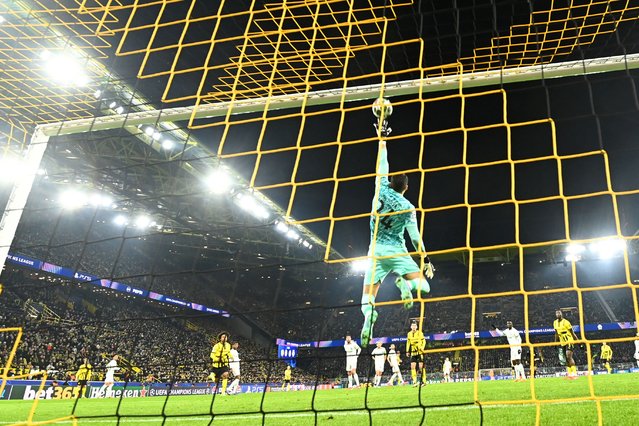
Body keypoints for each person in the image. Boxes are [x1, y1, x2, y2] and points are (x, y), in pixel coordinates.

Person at [360, 124, 435, 347]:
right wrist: (426, 260)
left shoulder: (380, 188)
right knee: (424, 286)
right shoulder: (409, 208)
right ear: (406, 188)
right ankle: (405, 283)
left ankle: (368, 317)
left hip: (375, 251)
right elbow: (415, 239)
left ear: (390, 182)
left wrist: (382, 139)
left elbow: (382, 163)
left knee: (367, 297)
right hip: (397, 251)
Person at [553, 310, 579, 379]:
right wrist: (555, 343)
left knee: (568, 356)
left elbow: (573, 333)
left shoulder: (566, 322)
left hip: (569, 341)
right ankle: (570, 374)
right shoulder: (555, 323)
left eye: (559, 312)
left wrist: (579, 343)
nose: (558, 314)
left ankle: (574, 374)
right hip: (562, 342)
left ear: (562, 314)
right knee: (565, 359)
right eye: (556, 313)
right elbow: (556, 334)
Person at [406, 321, 426, 386]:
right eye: (412, 326)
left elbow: (424, 341)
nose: (414, 327)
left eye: (415, 326)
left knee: (421, 367)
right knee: (412, 366)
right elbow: (408, 342)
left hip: (419, 352)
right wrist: (407, 351)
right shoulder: (409, 334)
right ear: (411, 327)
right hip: (413, 352)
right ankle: (414, 382)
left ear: (417, 327)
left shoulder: (420, 333)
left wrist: (422, 348)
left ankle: (424, 381)